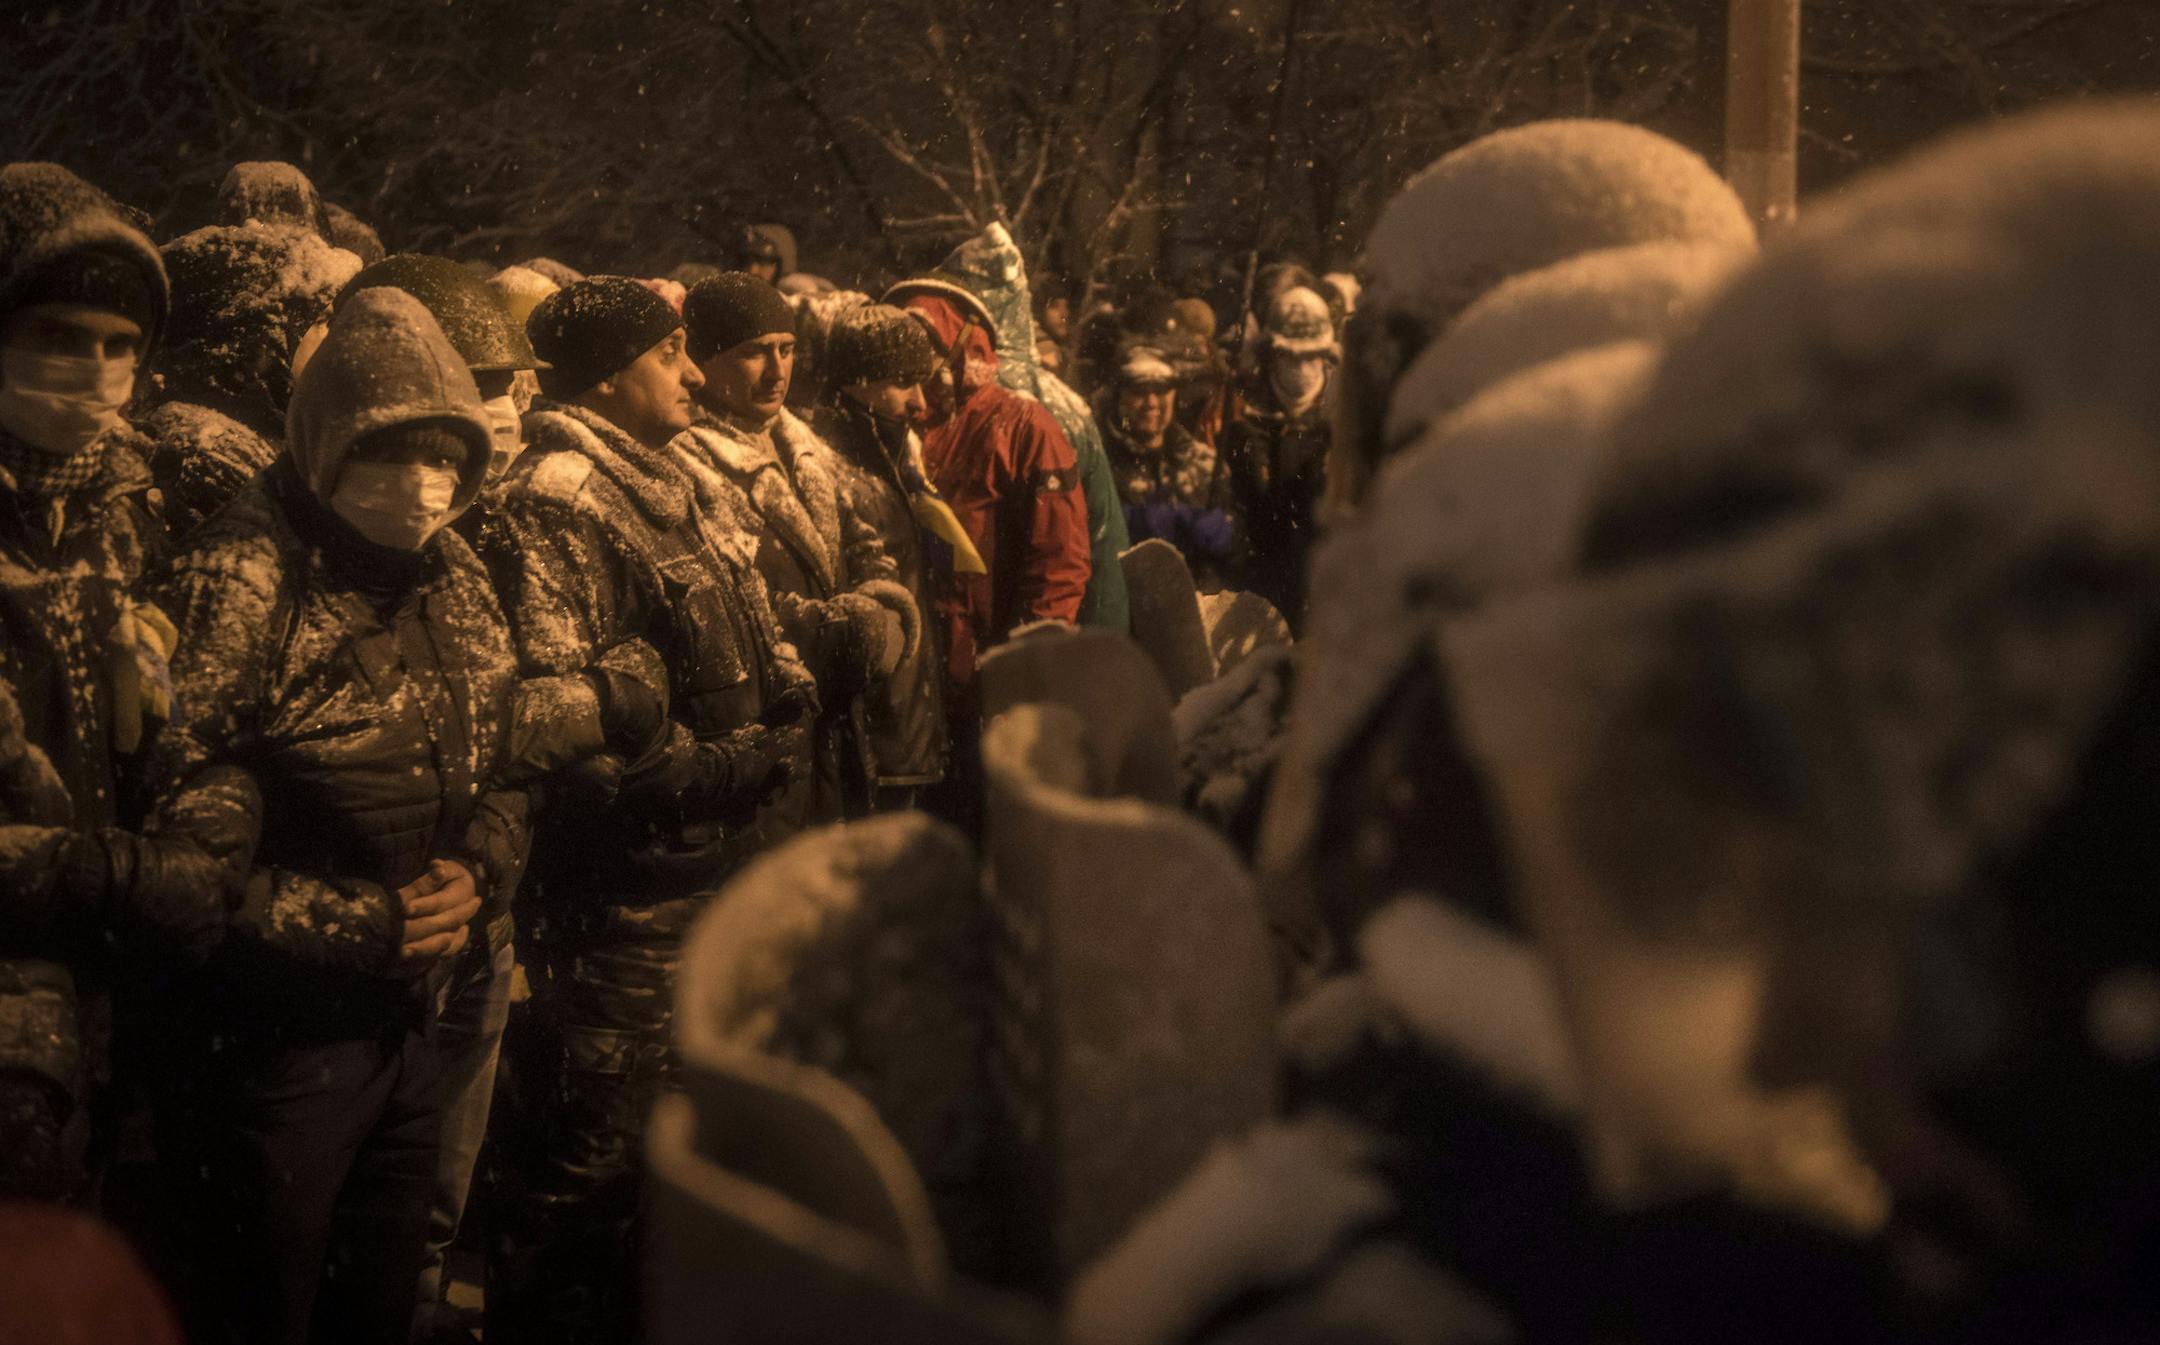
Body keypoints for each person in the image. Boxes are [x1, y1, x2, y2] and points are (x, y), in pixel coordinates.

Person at [142, 286, 527, 1345]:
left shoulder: (450, 570)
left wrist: (484, 863)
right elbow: (180, 858)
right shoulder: (245, 575)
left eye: (447, 454)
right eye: (394, 451)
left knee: (378, 1292)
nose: (425, 482)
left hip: (408, 1026)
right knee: (259, 1300)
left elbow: (505, 753)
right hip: (276, 1043)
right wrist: (363, 923)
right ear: (326, 444)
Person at [482, 276, 813, 1344]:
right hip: (621, 903)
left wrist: (793, 698)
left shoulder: (674, 472)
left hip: (708, 872)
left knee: (673, 1167)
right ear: (609, 373)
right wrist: (708, 767)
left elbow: (762, 636)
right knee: (592, 1169)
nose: (689, 370)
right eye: (668, 353)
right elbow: (561, 713)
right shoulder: (559, 493)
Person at [319, 251, 547, 1343]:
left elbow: (504, 734)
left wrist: (486, 862)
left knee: (427, 1200)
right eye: (490, 387)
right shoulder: (302, 549)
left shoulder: (473, 539)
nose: (510, 414)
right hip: (345, 960)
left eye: (512, 388)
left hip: (474, 910)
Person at [0, 161, 176, 1201]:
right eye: (58, 336)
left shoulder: (126, 500)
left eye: (118, 346)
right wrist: (98, 871)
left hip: (111, 979)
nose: (92, 370)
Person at [676, 273, 917, 828]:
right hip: (770, 736)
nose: (777, 369)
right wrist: (860, 633)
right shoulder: (688, 460)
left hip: (835, 731)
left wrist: (882, 600)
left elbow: (862, 543)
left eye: (786, 349)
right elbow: (745, 605)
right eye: (753, 353)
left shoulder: (802, 443)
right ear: (704, 361)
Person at [884, 277, 1090, 690]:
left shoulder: (1024, 427)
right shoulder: (890, 423)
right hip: (910, 668)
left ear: (962, 344)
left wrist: (1025, 667)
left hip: (988, 665)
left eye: (926, 344)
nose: (915, 360)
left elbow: (1059, 564)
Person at [808, 303, 953, 810]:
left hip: (904, 723)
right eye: (902, 382)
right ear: (856, 381)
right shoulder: (833, 468)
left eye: (923, 381)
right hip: (876, 733)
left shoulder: (888, 455)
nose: (919, 402)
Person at [142, 219, 361, 538]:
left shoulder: (257, 430)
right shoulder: (209, 453)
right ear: (258, 339)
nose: (336, 338)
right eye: (321, 322)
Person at [1220, 285, 1338, 631]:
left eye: (1311, 356)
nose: (1302, 368)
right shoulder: (1242, 412)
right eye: (1291, 357)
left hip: (1322, 586)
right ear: (1272, 354)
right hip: (1258, 583)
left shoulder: (1341, 415)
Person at [1095, 341, 1238, 591]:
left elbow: (1242, 554)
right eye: (1139, 391)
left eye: (1160, 391)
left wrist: (1231, 535)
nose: (1151, 402)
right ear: (1119, 396)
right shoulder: (1098, 463)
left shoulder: (1203, 462)